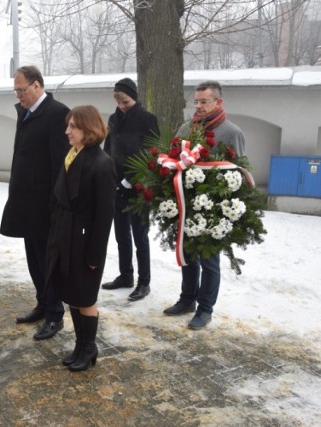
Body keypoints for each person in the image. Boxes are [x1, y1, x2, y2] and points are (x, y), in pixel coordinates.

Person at [163, 80, 246, 329]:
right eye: (196, 102)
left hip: (214, 208)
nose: (198, 106)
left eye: (204, 101)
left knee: (209, 260)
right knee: (188, 255)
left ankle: (205, 308)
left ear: (218, 102)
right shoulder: (186, 128)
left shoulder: (232, 132)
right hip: (186, 203)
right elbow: (172, 159)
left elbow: (240, 171)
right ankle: (187, 299)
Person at [0, 65, 69, 340]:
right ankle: (42, 303)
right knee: (34, 260)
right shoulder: (27, 112)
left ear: (37, 86)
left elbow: (60, 165)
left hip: (45, 206)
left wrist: (55, 204)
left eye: (21, 89)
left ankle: (55, 314)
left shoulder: (57, 113)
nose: (18, 95)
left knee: (47, 262)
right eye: (16, 90)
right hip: (27, 202)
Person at [46, 105, 116, 371]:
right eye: (68, 126)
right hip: (66, 237)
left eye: (72, 126)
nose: (67, 131)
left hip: (85, 242)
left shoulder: (102, 163)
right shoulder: (73, 155)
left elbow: (104, 216)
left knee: (86, 297)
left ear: (88, 129)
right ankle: (80, 343)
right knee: (72, 293)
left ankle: (89, 347)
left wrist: (95, 256)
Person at [101, 78, 159, 301]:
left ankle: (144, 282)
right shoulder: (114, 119)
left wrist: (129, 181)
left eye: (125, 101)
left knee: (139, 236)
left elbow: (150, 154)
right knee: (121, 235)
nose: (122, 106)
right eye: (119, 102)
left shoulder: (147, 119)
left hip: (138, 189)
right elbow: (108, 149)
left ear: (134, 97)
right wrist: (107, 176)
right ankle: (126, 275)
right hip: (115, 186)